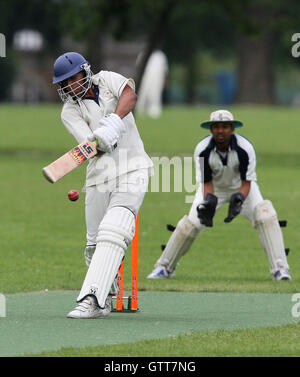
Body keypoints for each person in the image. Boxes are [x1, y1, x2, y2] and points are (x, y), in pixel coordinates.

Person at [52, 51, 153, 318]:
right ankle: (106, 298)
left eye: (73, 78)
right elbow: (91, 148)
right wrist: (100, 141)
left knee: (114, 229)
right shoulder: (69, 112)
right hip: (98, 176)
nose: (70, 86)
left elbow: (130, 95)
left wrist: (113, 123)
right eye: (64, 83)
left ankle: (91, 300)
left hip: (133, 168)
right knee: (94, 246)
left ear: (84, 72)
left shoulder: (107, 79)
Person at [147, 109, 291, 281]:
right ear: (211, 129)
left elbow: (247, 183)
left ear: (232, 129)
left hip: (243, 189)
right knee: (189, 225)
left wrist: (239, 199)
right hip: (214, 189)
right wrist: (208, 202)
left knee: (266, 215)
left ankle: (280, 270)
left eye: (225, 127)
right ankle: (163, 267)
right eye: (216, 127)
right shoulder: (202, 150)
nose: (220, 131)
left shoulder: (245, 149)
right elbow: (206, 183)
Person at [135, 50, 168, 119]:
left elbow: (164, 70)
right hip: (145, 78)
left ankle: (154, 111)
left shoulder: (160, 55)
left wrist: (164, 80)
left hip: (157, 79)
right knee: (142, 94)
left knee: (155, 94)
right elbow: (138, 67)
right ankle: (139, 110)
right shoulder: (143, 54)